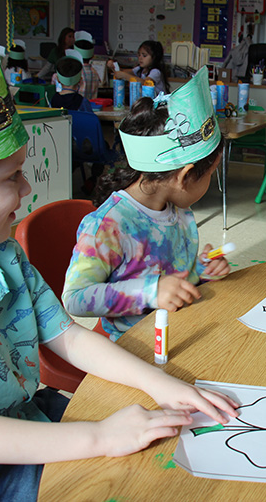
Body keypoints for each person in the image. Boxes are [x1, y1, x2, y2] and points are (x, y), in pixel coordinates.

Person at [0, 17, 238, 502]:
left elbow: (68, 336)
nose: (27, 189)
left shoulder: (0, 252)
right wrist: (102, 435)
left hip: (25, 418)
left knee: (163, 454)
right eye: (12, 179)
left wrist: (159, 383)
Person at [62, 68, 229, 341]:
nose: (210, 181)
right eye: (211, 175)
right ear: (184, 176)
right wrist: (151, 292)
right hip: (133, 345)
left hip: (181, 329)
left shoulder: (178, 213)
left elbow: (172, 274)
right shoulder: (108, 226)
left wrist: (202, 270)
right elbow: (75, 298)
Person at [73, 30, 101, 100]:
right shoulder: (95, 73)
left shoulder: (75, 72)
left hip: (77, 109)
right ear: (92, 56)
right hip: (91, 108)